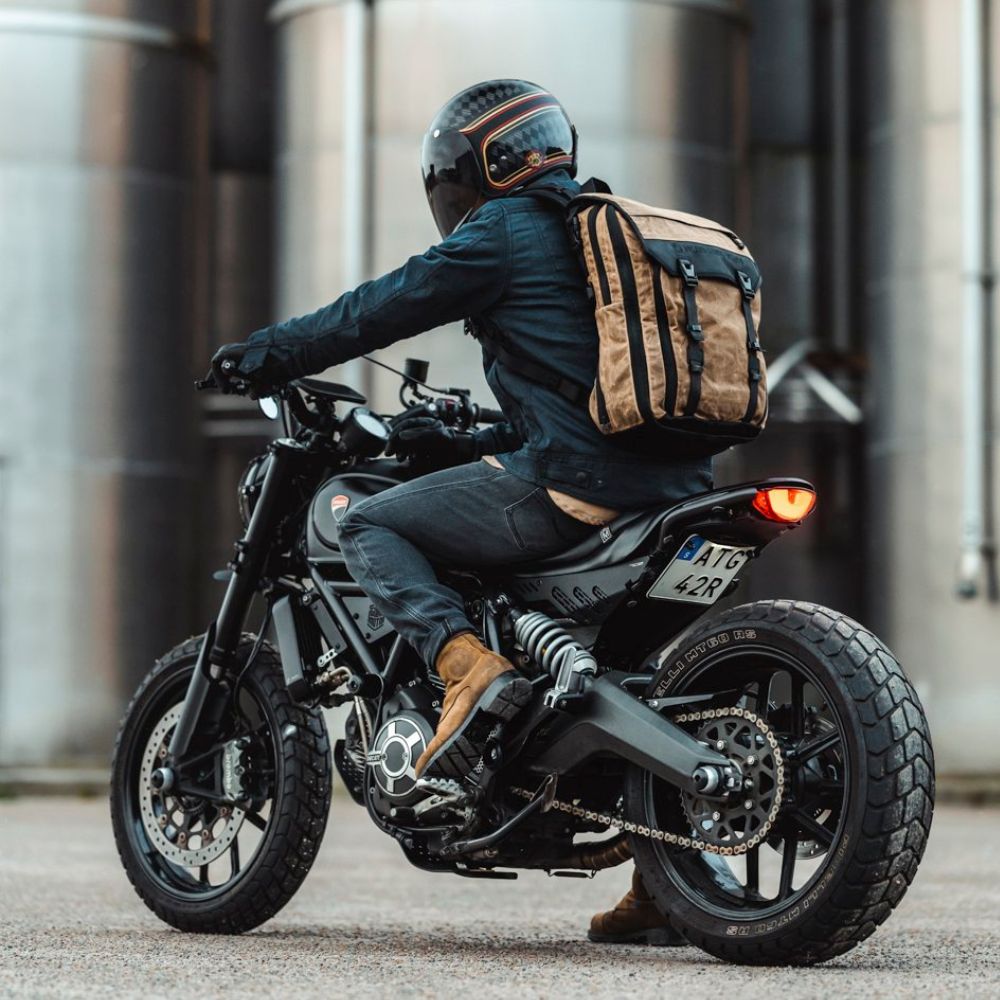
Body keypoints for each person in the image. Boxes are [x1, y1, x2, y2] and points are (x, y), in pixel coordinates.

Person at [211, 79, 709, 945]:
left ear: (472, 168)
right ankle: (669, 889)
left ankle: (464, 666)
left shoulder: (509, 229)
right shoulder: (602, 234)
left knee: (369, 522)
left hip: (578, 487)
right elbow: (579, 394)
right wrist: (471, 430)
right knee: (636, 672)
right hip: (678, 490)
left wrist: (267, 353)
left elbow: (382, 305)